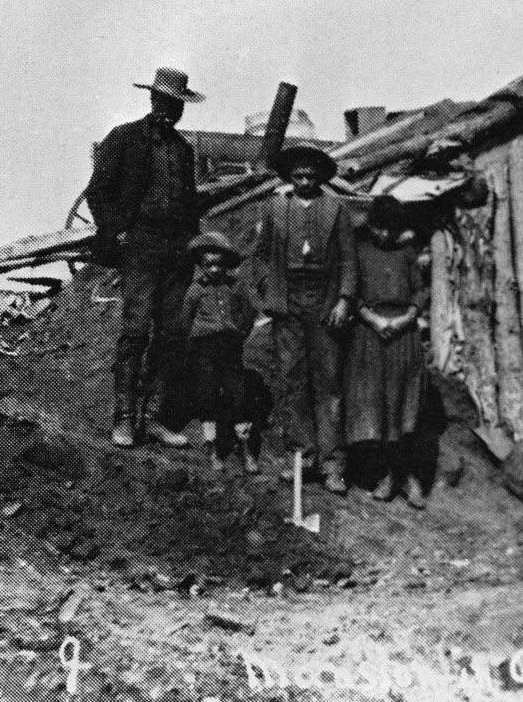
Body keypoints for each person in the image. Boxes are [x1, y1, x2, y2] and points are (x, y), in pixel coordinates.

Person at [83, 67, 207, 449]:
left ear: (182, 109)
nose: (168, 110)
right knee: (136, 331)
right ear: (152, 100)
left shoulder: (184, 150)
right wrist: (117, 232)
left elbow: (190, 206)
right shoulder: (124, 138)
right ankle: (123, 419)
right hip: (140, 246)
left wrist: (192, 244)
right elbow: (97, 192)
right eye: (163, 101)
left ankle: (152, 418)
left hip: (176, 251)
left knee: (170, 335)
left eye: (176, 105)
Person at [250, 145, 356, 493]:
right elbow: (261, 255)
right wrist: (270, 290)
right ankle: (301, 456)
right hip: (289, 301)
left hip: (324, 301)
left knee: (328, 383)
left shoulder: (335, 209)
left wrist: (343, 300)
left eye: (311, 176)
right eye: (299, 177)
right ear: (290, 178)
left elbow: (348, 261)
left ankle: (332, 463)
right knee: (293, 379)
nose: (305, 182)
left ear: (321, 177)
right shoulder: (276, 207)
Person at [344, 196, 433, 507]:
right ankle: (385, 474)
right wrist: (373, 319)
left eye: (393, 229)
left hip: (403, 337)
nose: (386, 235)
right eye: (380, 228)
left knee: (405, 408)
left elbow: (420, 291)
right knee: (378, 406)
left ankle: (409, 478)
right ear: (371, 226)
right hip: (370, 335)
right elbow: (349, 291)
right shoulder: (358, 252)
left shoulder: (407, 253)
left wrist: (407, 318)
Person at [176, 231, 260, 473]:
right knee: (207, 394)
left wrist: (240, 332)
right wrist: (195, 338)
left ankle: (247, 451)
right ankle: (214, 450)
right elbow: (185, 320)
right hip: (204, 348)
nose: (213, 270)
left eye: (218, 265)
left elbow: (250, 311)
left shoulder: (235, 287)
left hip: (230, 346)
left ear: (226, 265)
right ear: (201, 266)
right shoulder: (195, 290)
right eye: (208, 265)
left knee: (238, 394)